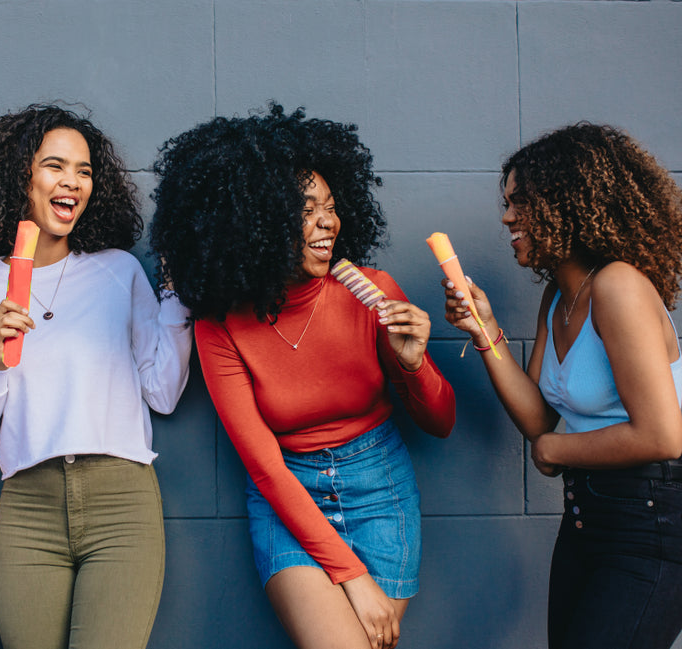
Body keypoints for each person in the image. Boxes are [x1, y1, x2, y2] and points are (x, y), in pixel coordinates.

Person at [149, 105, 455, 649]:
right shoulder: (221, 325)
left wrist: (413, 363)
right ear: (256, 219)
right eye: (306, 209)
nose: (327, 223)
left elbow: (441, 422)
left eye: (332, 208)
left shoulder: (373, 290)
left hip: (380, 487)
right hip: (287, 496)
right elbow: (264, 467)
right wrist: (352, 577)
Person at [0, 104, 192, 649]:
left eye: (83, 170)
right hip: (27, 508)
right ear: (20, 178)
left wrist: (176, 296)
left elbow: (163, 393)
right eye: (55, 167)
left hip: (121, 501)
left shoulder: (118, 271)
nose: (72, 183)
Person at [441, 122, 682, 649]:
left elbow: (664, 436)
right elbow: (538, 419)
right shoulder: (558, 296)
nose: (507, 217)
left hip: (653, 522)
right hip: (585, 520)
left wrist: (557, 449)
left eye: (522, 202)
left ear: (570, 203)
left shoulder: (618, 286)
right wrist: (484, 329)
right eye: (507, 203)